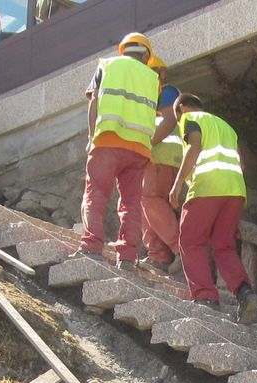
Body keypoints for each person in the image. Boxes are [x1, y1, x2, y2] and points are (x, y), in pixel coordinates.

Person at [169, 94, 257, 324]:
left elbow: (195, 146)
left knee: (190, 240)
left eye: (176, 114)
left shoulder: (189, 118)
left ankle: (205, 297)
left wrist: (177, 184)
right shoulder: (226, 126)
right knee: (223, 245)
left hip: (207, 187)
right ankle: (244, 293)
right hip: (235, 191)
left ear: (182, 108)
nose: (177, 120)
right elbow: (242, 162)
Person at [74, 32, 160, 270]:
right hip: (139, 149)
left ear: (124, 50)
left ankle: (91, 246)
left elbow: (94, 103)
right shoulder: (153, 79)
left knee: (96, 193)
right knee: (131, 203)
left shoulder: (107, 66)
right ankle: (127, 258)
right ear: (145, 55)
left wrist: (92, 138)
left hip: (108, 140)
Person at [138, 54, 183, 275]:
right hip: (162, 159)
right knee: (150, 203)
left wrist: (147, 144)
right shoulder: (148, 96)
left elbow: (169, 120)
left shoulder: (165, 92)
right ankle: (158, 255)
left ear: (161, 74)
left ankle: (179, 249)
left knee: (149, 199)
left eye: (154, 72)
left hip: (162, 158)